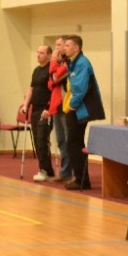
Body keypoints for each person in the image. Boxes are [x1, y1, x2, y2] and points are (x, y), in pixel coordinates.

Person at [62, 35, 106, 190]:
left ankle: (82, 180)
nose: (64, 48)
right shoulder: (72, 62)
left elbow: (80, 89)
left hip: (78, 109)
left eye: (67, 45)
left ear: (76, 48)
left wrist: (72, 105)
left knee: (74, 144)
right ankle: (80, 178)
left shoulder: (82, 63)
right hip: (74, 109)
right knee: (74, 144)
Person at [22, 44, 54, 181]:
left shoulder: (51, 69)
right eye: (38, 52)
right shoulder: (36, 70)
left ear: (49, 55)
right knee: (36, 140)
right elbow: (31, 89)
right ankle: (47, 170)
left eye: (42, 53)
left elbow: (54, 91)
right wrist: (25, 105)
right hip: (35, 109)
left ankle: (44, 170)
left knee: (42, 139)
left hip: (45, 110)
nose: (38, 55)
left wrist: (49, 108)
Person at [47, 37, 72, 183]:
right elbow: (50, 83)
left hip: (66, 106)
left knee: (69, 140)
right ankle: (65, 172)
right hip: (57, 105)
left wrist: (52, 62)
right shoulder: (60, 63)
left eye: (59, 45)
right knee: (61, 140)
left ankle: (73, 172)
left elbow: (55, 78)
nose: (56, 48)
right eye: (55, 45)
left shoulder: (68, 63)